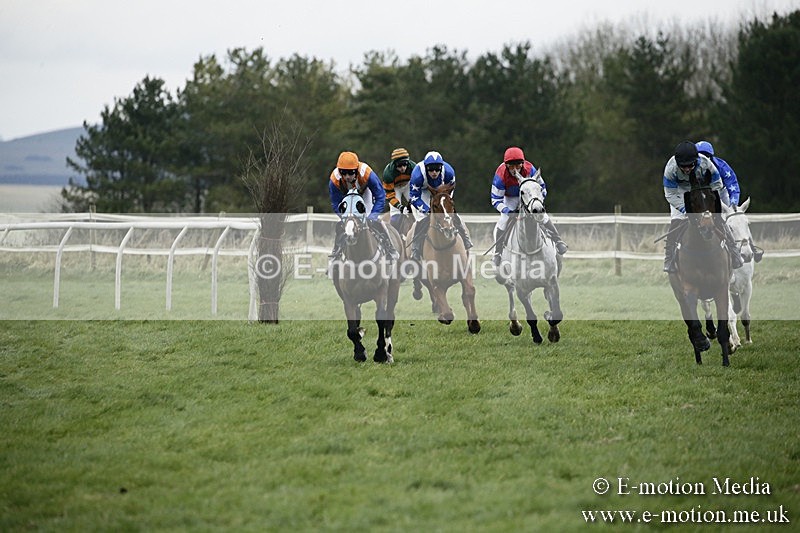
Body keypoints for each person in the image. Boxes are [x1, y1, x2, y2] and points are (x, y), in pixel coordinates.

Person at [662, 140, 743, 273]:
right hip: (680, 192)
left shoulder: (706, 163)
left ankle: (734, 251)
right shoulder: (670, 169)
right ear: (677, 163)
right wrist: (686, 209)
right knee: (676, 221)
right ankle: (669, 258)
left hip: (702, 188)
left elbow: (717, 184)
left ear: (696, 160)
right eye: (683, 166)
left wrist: (710, 204)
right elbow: (670, 194)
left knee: (718, 219)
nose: (687, 169)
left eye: (690, 165)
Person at [490, 146, 567, 266]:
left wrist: (537, 202)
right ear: (506, 165)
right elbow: (495, 200)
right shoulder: (500, 176)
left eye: (518, 165)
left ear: (522, 163)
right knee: (504, 220)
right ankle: (498, 252)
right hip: (510, 197)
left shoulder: (530, 169)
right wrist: (508, 211)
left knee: (543, 216)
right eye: (511, 166)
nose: (515, 169)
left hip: (529, 195)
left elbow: (542, 188)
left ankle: (558, 241)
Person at [696, 140, 763, 263]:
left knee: (736, 218)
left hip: (720, 193)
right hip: (701, 195)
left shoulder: (721, 166)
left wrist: (733, 204)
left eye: (706, 155)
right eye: (700, 156)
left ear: (711, 156)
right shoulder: (691, 168)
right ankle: (673, 251)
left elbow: (733, 185)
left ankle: (751, 247)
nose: (703, 159)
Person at [328, 151, 399, 261]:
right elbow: (335, 202)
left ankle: (389, 248)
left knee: (374, 221)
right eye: (343, 173)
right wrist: (344, 217)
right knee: (341, 224)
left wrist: (372, 216)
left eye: (350, 173)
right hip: (347, 197)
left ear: (356, 170)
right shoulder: (334, 179)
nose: (347, 177)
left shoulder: (367, 173)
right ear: (339, 171)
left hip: (364, 194)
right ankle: (336, 251)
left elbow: (380, 196)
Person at [407, 150, 473, 261]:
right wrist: (428, 210)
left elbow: (449, 194)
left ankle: (465, 239)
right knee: (422, 219)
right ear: (426, 168)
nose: (434, 172)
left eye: (437, 169)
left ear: (441, 168)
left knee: (451, 214)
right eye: (431, 169)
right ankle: (416, 248)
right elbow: (414, 197)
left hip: (442, 191)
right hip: (423, 192)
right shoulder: (417, 175)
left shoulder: (449, 172)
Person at [381, 147, 416, 232]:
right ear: (394, 164)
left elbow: (418, 187)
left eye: (405, 164)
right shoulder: (388, 174)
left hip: (408, 185)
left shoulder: (414, 168)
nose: (403, 168)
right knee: (395, 211)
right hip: (395, 188)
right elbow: (389, 195)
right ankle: (395, 233)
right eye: (399, 165)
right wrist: (400, 207)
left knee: (416, 205)